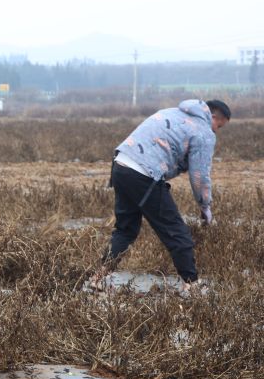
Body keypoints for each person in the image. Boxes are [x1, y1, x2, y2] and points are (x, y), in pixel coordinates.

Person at [93, 99, 231, 294]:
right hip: (143, 173)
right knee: (176, 231)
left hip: (120, 165)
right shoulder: (203, 131)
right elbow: (200, 176)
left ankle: (98, 278)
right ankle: (191, 285)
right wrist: (205, 206)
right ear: (214, 116)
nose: (216, 131)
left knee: (125, 230)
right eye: (219, 126)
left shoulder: (172, 112)